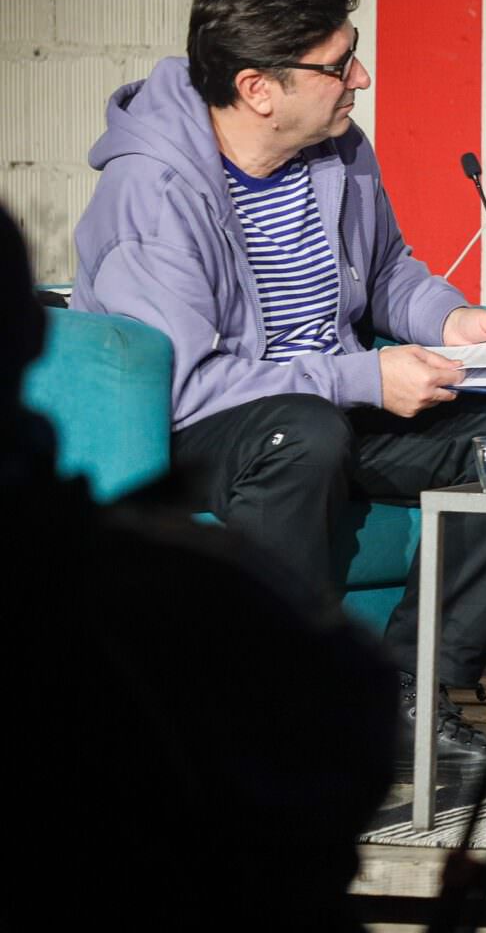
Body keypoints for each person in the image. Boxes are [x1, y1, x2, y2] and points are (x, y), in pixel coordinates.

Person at [70, 0, 486, 782]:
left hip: (326, 406)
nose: (361, 78)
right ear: (259, 89)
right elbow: (187, 385)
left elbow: (388, 270)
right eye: (339, 64)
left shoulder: (339, 149)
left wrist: (447, 318)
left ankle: (411, 698)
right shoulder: (152, 191)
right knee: (304, 434)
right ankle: (277, 714)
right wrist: (364, 379)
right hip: (195, 430)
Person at [9, 203, 396, 930]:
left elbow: (392, 271)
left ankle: (434, 695)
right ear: (36, 338)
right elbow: (347, 727)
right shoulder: (164, 588)